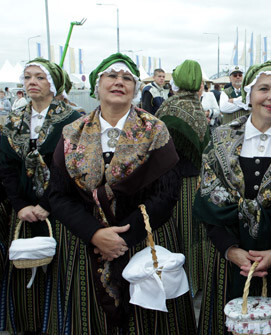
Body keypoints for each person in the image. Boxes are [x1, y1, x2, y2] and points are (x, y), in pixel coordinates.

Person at [48, 53, 196, 334]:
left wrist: (123, 239)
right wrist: (95, 234)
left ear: (136, 88)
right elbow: (57, 195)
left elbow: (166, 195)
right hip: (87, 243)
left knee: (149, 324)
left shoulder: (155, 130)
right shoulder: (72, 133)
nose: (119, 82)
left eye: (127, 77)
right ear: (97, 85)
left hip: (143, 240)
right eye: (112, 76)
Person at [194, 60, 271, 335]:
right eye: (263, 88)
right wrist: (230, 250)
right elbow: (207, 203)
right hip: (228, 259)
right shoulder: (220, 139)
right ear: (249, 95)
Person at [0, 58, 81, 334]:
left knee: (58, 268)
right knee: (24, 265)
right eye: (27, 77)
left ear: (53, 84)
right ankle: (28, 323)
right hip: (24, 209)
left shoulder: (72, 120)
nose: (31, 82)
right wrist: (20, 205)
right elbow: (7, 167)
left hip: (59, 209)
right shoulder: (13, 122)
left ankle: (58, 324)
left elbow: (73, 168)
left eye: (39, 77)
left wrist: (47, 204)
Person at [155, 59, 211, 297]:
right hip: (198, 181)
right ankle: (198, 279)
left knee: (179, 232)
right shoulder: (197, 106)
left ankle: (181, 282)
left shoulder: (169, 109)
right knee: (196, 232)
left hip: (175, 184)